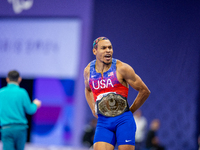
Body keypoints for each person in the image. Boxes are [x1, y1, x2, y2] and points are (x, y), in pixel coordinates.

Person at [84, 37, 150, 150]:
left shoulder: (122, 68)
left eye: (110, 47)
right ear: (95, 51)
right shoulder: (88, 71)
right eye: (104, 48)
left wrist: (131, 110)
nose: (108, 50)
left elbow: (144, 91)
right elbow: (88, 89)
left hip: (123, 122)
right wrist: (92, 108)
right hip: (103, 122)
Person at [0, 70, 42, 150]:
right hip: (20, 129)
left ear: (7, 79)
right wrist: (35, 104)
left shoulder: (1, 93)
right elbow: (30, 110)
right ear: (19, 79)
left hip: (6, 128)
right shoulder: (22, 92)